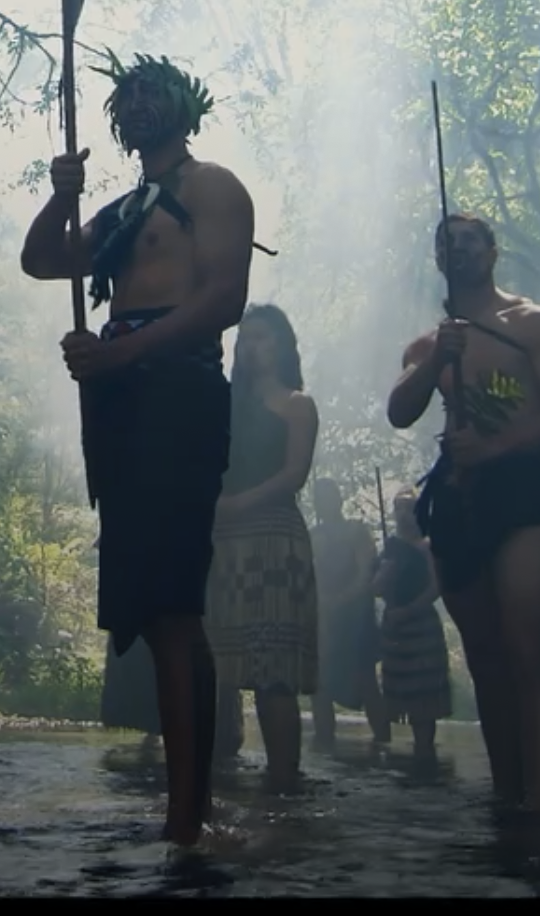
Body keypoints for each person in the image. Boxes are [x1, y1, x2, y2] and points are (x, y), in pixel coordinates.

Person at [20, 52, 256, 849]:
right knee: (153, 607)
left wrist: (123, 353)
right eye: (132, 93)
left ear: (189, 106)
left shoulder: (213, 188)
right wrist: (60, 197)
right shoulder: (124, 211)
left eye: (157, 90)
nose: (143, 102)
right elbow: (44, 261)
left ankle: (188, 812)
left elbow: (224, 299)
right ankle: (188, 805)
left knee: (172, 603)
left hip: (178, 394)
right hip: (118, 403)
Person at [385, 213, 540, 814]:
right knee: (486, 657)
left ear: (493, 252)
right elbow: (400, 410)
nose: (458, 250)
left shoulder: (533, 325)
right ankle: (507, 795)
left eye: (469, 241)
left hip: (522, 491)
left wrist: (498, 447)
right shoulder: (430, 343)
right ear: (437, 259)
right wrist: (434, 362)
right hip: (456, 498)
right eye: (446, 243)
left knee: (531, 652)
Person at [204, 304, 320, 789]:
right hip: (222, 540)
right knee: (215, 665)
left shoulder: (298, 405)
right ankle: (212, 776)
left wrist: (236, 505)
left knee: (274, 669)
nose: (252, 347)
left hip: (274, 539)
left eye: (263, 338)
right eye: (245, 338)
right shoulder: (220, 404)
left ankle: (284, 779)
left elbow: (294, 474)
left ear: (282, 346)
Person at [373, 490, 450, 767]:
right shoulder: (391, 549)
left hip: (419, 625)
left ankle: (425, 755)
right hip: (395, 627)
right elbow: (377, 589)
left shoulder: (427, 546)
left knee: (424, 699)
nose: (403, 514)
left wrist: (410, 610)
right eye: (398, 508)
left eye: (408, 508)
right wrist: (385, 575)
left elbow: (436, 586)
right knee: (399, 693)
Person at [309, 479, 383, 751]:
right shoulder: (313, 535)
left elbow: (365, 573)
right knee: (319, 683)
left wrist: (340, 600)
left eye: (328, 497)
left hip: (355, 616)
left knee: (365, 679)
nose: (323, 503)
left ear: (338, 500)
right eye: (319, 498)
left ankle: (382, 743)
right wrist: (322, 605)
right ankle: (324, 743)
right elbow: (310, 577)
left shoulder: (356, 531)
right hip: (326, 617)